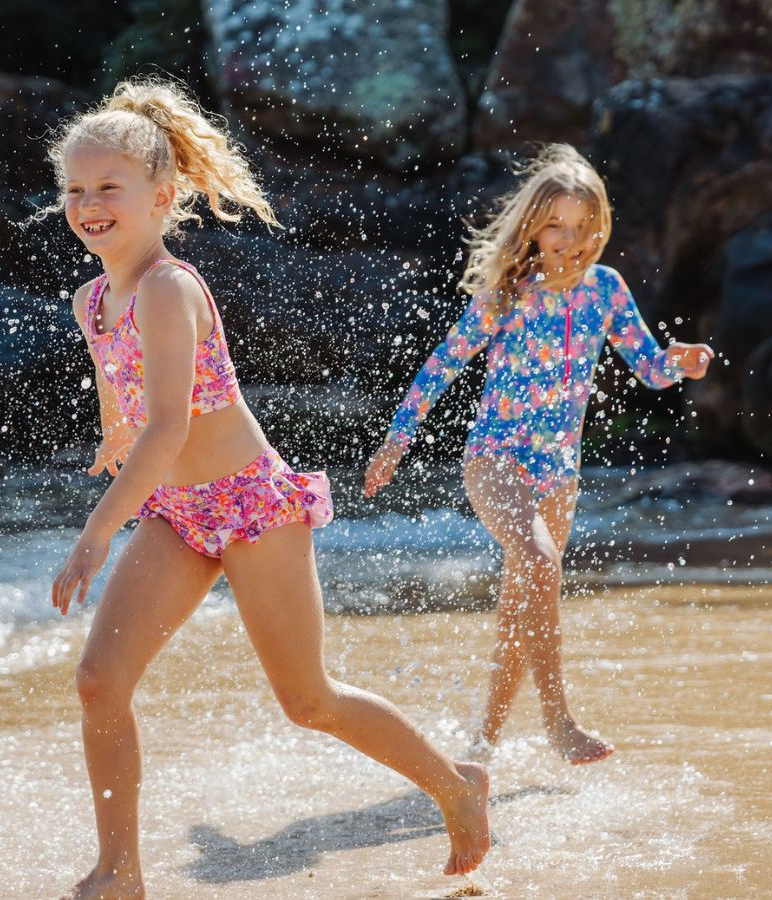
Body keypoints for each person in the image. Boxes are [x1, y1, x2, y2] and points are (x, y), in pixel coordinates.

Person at [48, 78, 491, 899]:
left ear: (162, 195)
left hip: (253, 506)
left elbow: (169, 427)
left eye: (109, 186)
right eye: (75, 189)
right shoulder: (92, 300)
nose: (89, 203)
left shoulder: (168, 289)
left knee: (309, 701)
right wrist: (112, 435)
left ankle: (454, 785)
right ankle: (120, 872)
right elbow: (127, 406)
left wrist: (97, 531)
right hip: (180, 514)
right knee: (99, 681)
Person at [364, 143, 714, 765]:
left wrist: (677, 365)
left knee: (523, 601)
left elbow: (648, 368)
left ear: (600, 226)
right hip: (496, 457)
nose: (570, 239)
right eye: (557, 224)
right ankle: (559, 722)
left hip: (560, 473)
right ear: (533, 225)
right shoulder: (509, 291)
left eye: (584, 227)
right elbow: (444, 362)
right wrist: (398, 436)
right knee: (538, 558)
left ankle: (483, 743)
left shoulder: (605, 289)